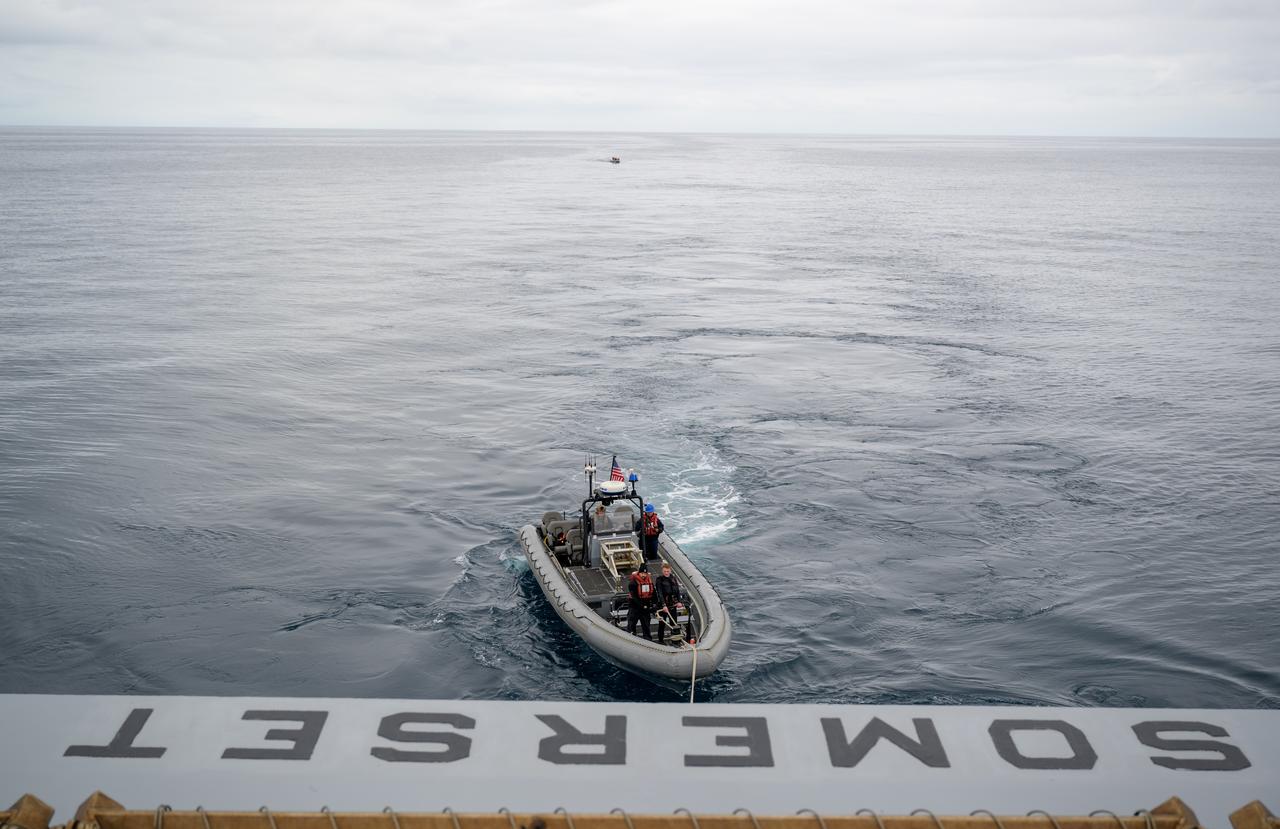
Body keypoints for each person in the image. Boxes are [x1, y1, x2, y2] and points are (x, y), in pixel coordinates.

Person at [654, 562, 689, 642]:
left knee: (674, 623)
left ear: (670, 570)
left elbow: (677, 591)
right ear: (662, 571)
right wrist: (663, 605)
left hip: (672, 605)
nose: (666, 573)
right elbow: (659, 593)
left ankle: (675, 640)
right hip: (663, 606)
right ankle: (660, 640)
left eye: (668, 571)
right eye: (665, 571)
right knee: (662, 624)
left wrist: (679, 601)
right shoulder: (659, 580)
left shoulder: (673, 578)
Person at [626, 563, 656, 640]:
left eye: (645, 573)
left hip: (645, 607)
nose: (643, 575)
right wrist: (642, 605)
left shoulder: (649, 582)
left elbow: (653, 593)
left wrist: (654, 603)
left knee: (646, 624)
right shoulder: (633, 583)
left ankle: (647, 638)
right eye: (642, 573)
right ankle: (631, 636)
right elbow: (634, 597)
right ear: (639, 573)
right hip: (635, 606)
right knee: (632, 623)